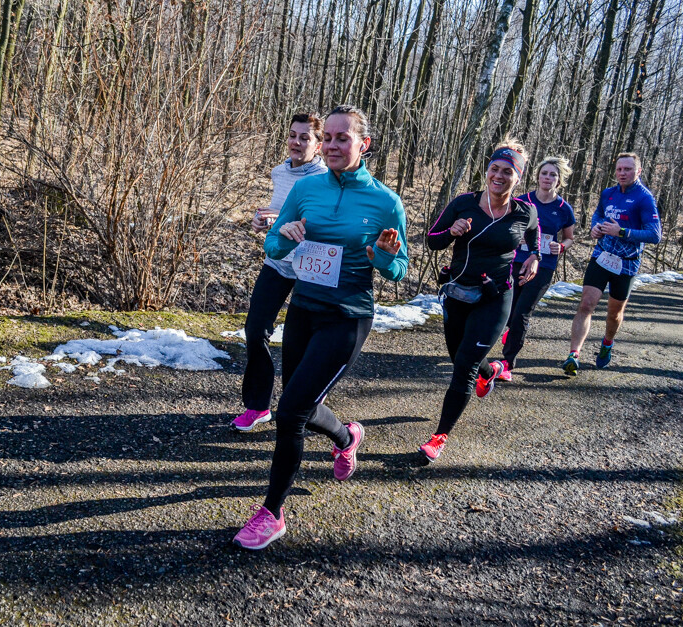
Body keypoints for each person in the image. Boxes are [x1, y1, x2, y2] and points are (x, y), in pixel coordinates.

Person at [233, 105, 408, 549]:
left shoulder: (385, 201)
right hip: (304, 309)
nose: (331, 145)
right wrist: (283, 233)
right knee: (302, 405)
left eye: (342, 138)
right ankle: (348, 436)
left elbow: (399, 270)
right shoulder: (307, 188)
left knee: (290, 411)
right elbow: (274, 242)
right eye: (327, 137)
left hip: (347, 317)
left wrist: (383, 257)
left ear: (363, 145)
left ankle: (272, 512)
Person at [419, 140, 539, 463]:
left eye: (508, 172)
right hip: (459, 291)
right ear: (487, 171)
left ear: (518, 178)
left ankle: (438, 437)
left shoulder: (524, 212)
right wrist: (451, 233)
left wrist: (535, 258)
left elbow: (533, 233)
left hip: (497, 295)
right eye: (495, 169)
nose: (499, 176)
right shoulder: (464, 203)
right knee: (461, 355)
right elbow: (431, 240)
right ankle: (491, 371)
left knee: (464, 366)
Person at [231, 113, 328, 432]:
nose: (296, 142)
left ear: (318, 145)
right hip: (277, 263)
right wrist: (263, 223)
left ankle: (306, 404)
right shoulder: (279, 172)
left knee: (305, 342)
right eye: (292, 135)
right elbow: (277, 213)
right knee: (255, 329)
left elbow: (326, 226)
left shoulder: (325, 179)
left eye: (305, 138)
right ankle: (258, 406)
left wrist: (289, 220)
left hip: (309, 267)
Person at [562, 152, 661, 376]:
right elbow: (598, 215)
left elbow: (655, 235)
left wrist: (622, 232)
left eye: (627, 169)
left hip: (626, 263)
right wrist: (595, 228)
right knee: (586, 304)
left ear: (638, 171)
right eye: (619, 169)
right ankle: (573, 355)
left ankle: (607, 343)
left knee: (614, 314)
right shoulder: (608, 193)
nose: (622, 173)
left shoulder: (645, 198)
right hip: (602, 255)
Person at [495, 157, 576, 381]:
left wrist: (560, 247)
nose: (547, 178)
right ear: (537, 176)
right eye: (544, 173)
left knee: (522, 312)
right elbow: (505, 226)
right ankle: (511, 332)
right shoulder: (522, 201)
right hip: (516, 261)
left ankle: (507, 363)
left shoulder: (563, 209)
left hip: (544, 265)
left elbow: (570, 238)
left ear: (559, 181)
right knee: (509, 309)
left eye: (552, 175)